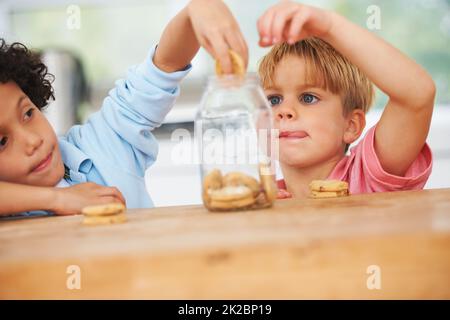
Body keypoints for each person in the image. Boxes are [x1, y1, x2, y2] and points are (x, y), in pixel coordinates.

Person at [0, 0, 247, 216]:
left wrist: (195, 12)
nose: (32, 141)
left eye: (28, 113)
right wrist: (58, 199)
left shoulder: (101, 145)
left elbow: (164, 67)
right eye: (2, 141)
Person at [256, 1, 434, 199]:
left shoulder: (367, 176)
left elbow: (418, 94)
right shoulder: (264, 197)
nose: (284, 110)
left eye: (308, 98)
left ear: (350, 125)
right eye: (273, 100)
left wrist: (331, 26)